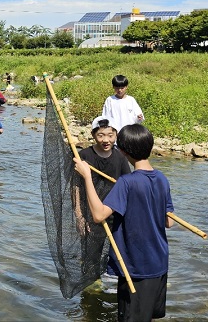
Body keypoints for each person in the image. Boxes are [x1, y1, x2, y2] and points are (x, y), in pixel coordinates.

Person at [73, 124, 174, 321]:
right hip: (159, 262)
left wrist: (86, 177)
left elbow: (99, 215)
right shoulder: (162, 179)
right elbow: (168, 222)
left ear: (123, 151)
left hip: (136, 266)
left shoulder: (126, 183)